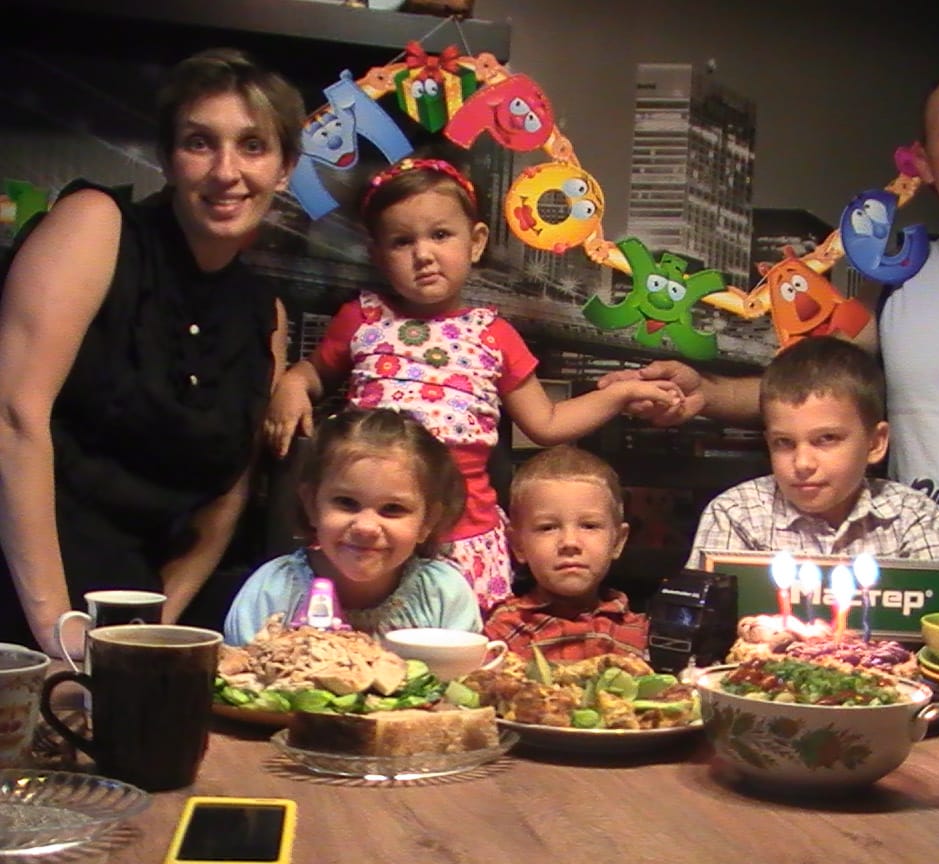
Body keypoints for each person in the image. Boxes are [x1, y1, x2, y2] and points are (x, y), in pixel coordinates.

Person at [600, 60, 939, 666]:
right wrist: (705, 393)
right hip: (916, 612)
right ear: (925, 163)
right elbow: (820, 392)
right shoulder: (894, 280)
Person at [264, 156, 681, 614]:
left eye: (441, 235)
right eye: (402, 241)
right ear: (378, 254)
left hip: (461, 535)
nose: (423, 254)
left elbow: (547, 422)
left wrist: (619, 394)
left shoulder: (493, 334)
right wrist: (292, 385)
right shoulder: (362, 318)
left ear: (476, 242)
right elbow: (314, 373)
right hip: (374, 528)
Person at [0, 48, 306, 656]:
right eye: (199, 143)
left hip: (125, 618)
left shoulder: (264, 315)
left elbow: (228, 497)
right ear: (167, 158)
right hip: (21, 587)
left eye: (252, 146)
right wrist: (58, 628)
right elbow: (13, 417)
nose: (226, 171)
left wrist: (151, 628)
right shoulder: (96, 225)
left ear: (284, 168)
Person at [686, 336, 939, 567]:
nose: (803, 463)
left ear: (875, 443)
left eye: (827, 439)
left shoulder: (912, 515)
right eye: (784, 442)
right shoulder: (735, 514)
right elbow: (705, 612)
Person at [224, 407, 479, 646]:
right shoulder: (273, 589)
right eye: (346, 503)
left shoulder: (444, 593)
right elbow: (238, 670)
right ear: (312, 506)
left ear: (428, 521)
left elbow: (462, 675)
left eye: (393, 509)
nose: (366, 527)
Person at [483, 445, 648, 662]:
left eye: (589, 526)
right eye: (547, 528)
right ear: (518, 545)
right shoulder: (504, 631)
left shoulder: (640, 631)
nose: (569, 542)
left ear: (618, 541)